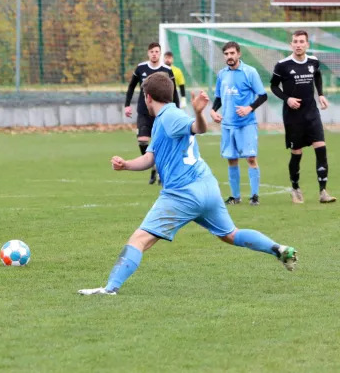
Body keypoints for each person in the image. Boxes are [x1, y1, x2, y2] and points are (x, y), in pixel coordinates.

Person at [78, 72, 297, 296]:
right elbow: (150, 158)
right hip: (207, 187)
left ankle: (110, 289)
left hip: (182, 193)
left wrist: (200, 114)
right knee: (230, 234)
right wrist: (126, 165)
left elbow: (197, 128)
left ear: (148, 96)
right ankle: (278, 249)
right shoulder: (164, 118)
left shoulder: (171, 116)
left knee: (140, 239)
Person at [270, 30, 336, 204]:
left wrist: (320, 94)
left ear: (307, 44)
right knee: (296, 154)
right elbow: (274, 87)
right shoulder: (282, 65)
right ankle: (295, 188)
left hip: (312, 113)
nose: (298, 44)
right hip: (293, 117)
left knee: (321, 149)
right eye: (295, 41)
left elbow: (318, 76)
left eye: (301, 41)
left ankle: (323, 192)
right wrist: (288, 99)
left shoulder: (313, 61)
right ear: (291, 44)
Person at [210, 42, 268, 206]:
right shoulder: (222, 74)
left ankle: (254, 196)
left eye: (232, 53)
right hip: (227, 125)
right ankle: (235, 197)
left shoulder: (250, 72)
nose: (229, 56)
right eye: (226, 54)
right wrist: (213, 111)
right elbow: (219, 98)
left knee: (250, 158)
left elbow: (263, 96)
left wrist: (250, 108)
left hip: (246, 124)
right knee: (231, 159)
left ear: (239, 54)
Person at [124, 42, 180, 185]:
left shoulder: (167, 70)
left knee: (162, 142)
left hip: (162, 112)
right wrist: (127, 105)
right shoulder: (141, 68)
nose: (154, 54)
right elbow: (131, 86)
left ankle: (161, 169)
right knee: (142, 140)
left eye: (157, 51)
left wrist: (177, 110)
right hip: (144, 110)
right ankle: (153, 166)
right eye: (152, 51)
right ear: (148, 53)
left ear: (160, 53)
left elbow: (174, 92)